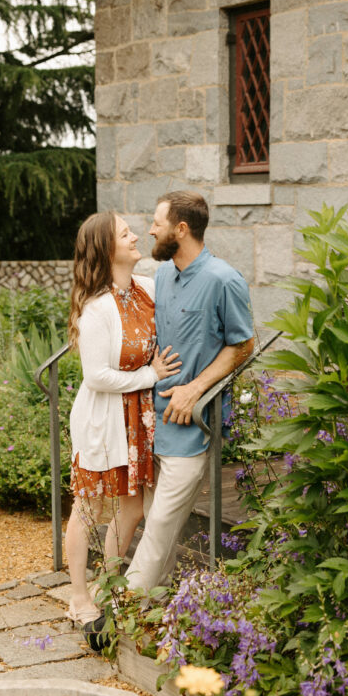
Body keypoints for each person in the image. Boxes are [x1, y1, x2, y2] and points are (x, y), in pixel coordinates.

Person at [125, 190, 254, 595]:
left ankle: (119, 607)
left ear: (181, 229)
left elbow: (244, 344)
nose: (150, 230)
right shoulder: (162, 275)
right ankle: (150, 605)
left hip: (193, 424)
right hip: (153, 420)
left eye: (157, 223)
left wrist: (196, 390)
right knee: (154, 520)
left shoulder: (224, 279)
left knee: (161, 521)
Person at [66, 211, 181, 646]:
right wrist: (151, 376)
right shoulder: (96, 308)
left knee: (132, 509)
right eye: (125, 233)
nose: (135, 237)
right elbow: (97, 376)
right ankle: (78, 596)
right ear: (105, 249)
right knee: (89, 507)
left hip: (141, 420)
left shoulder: (147, 290)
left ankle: (107, 587)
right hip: (106, 419)